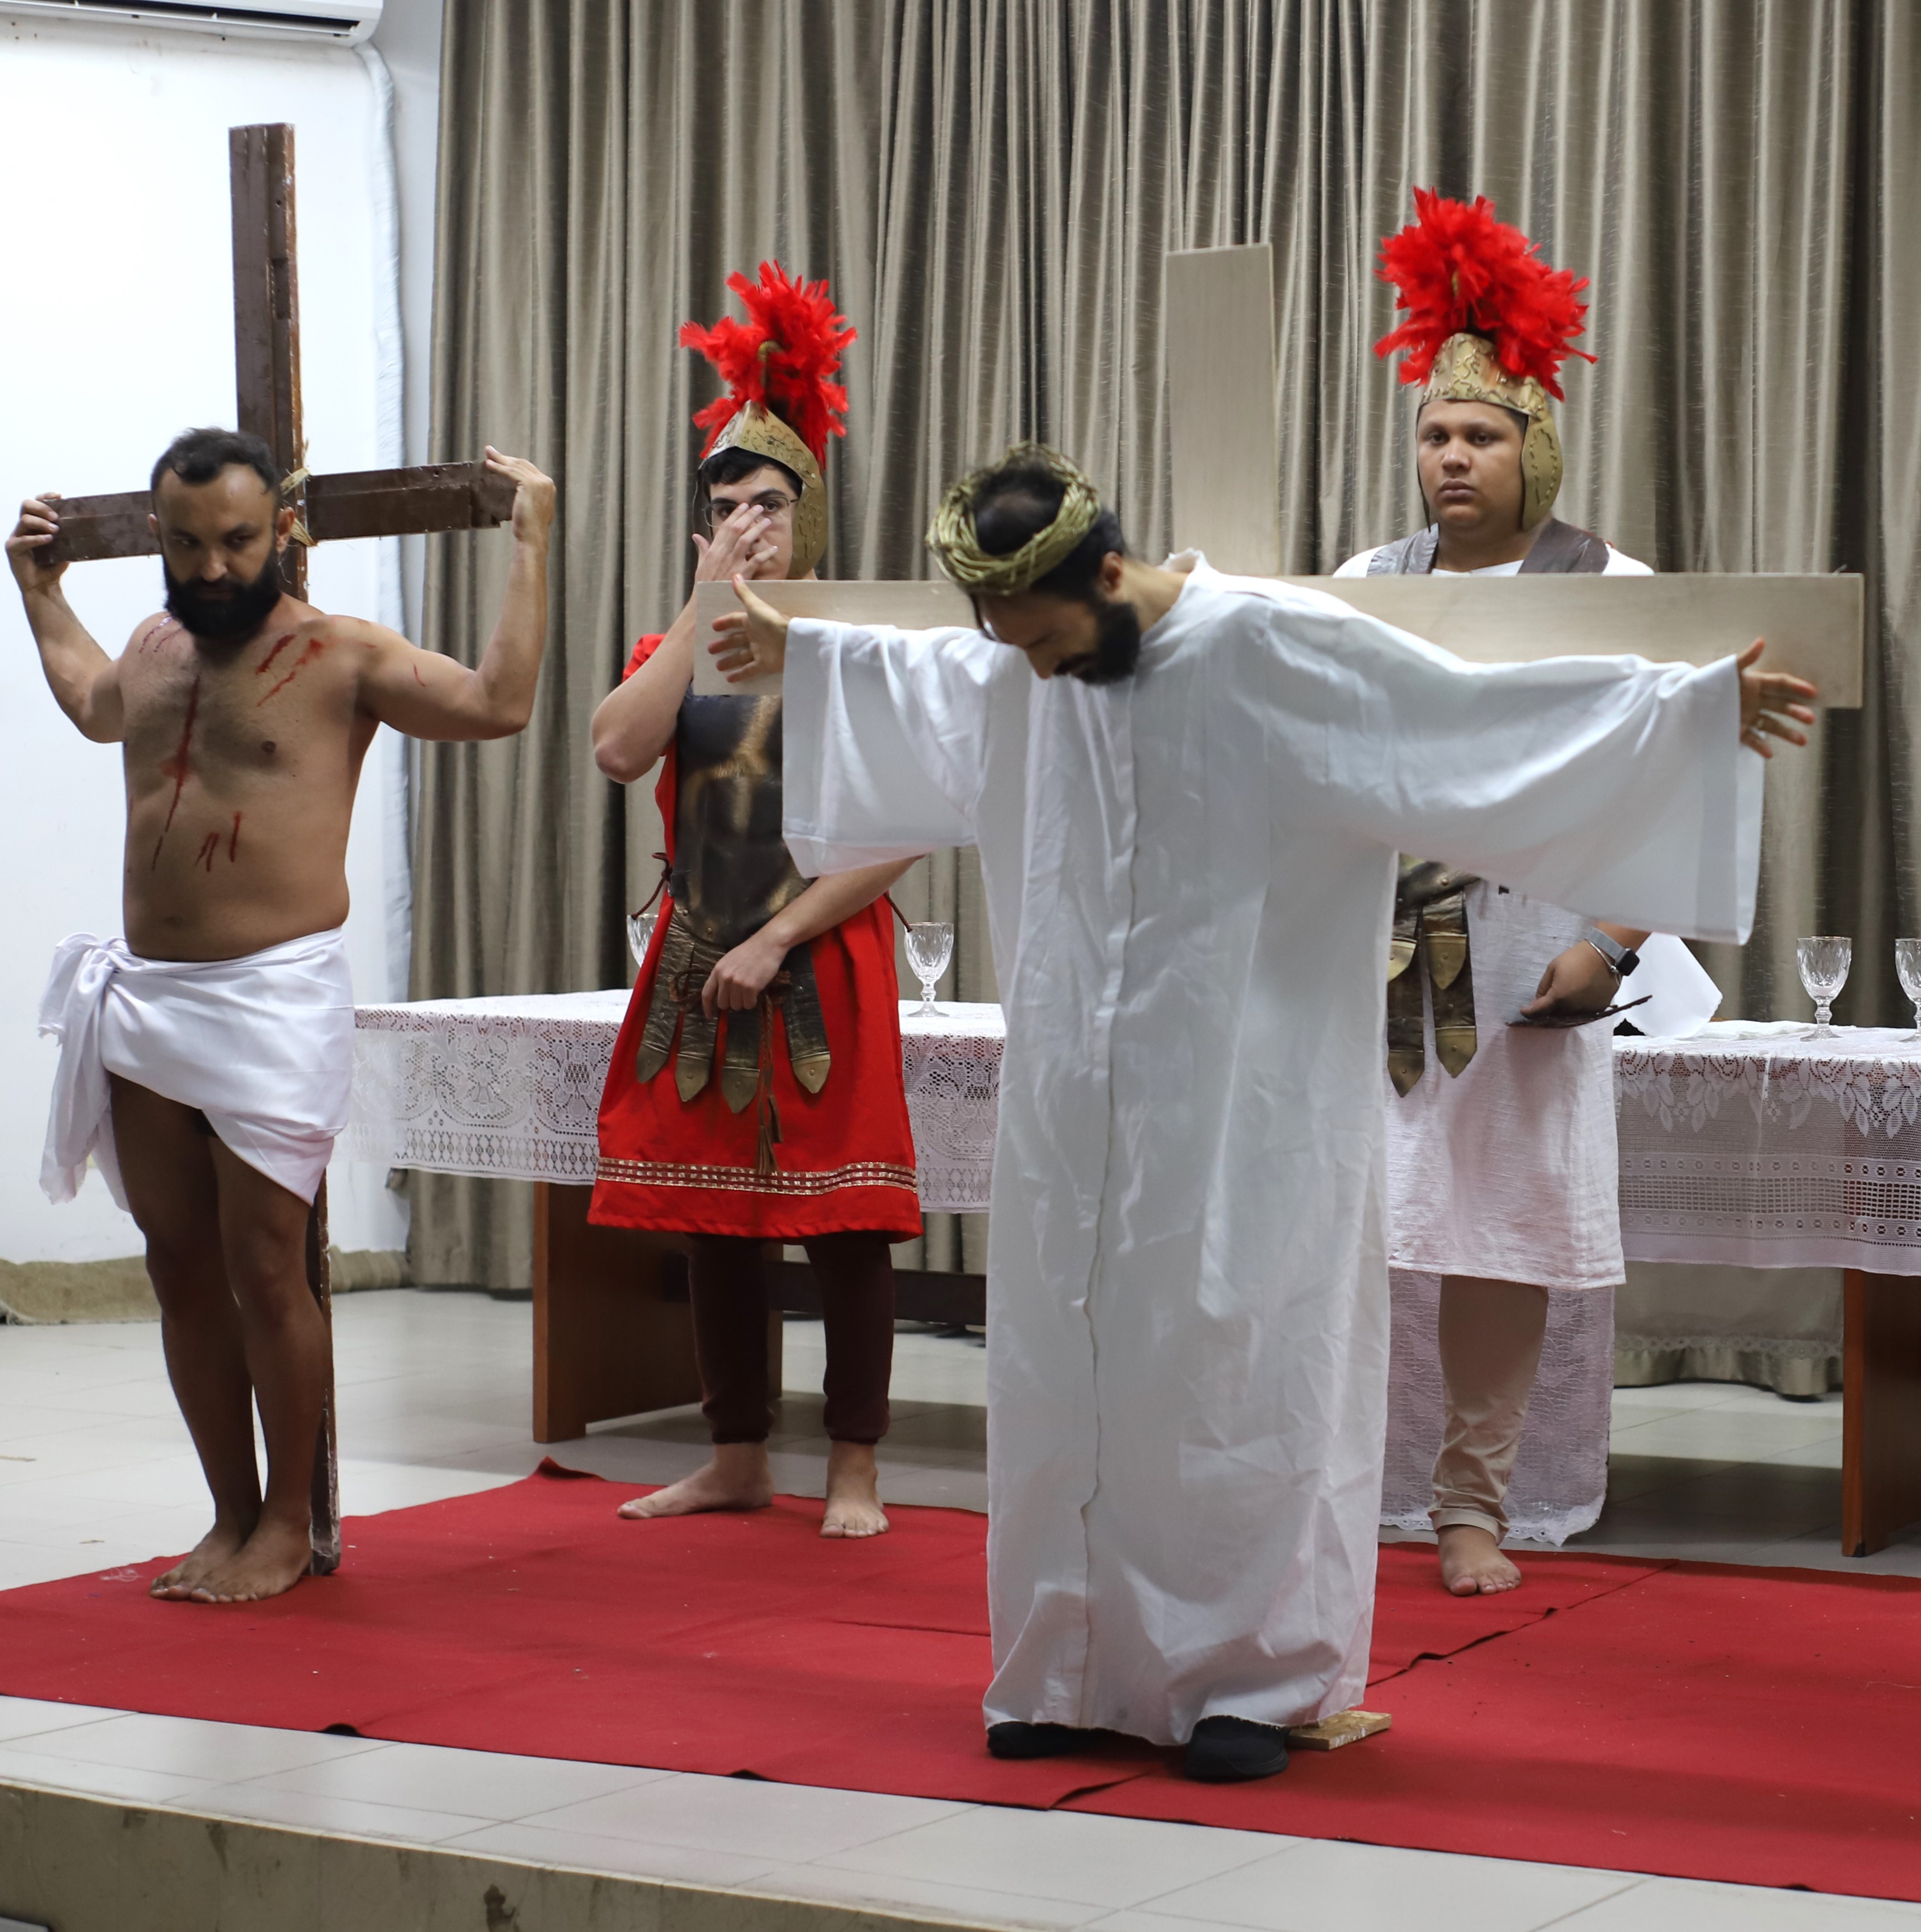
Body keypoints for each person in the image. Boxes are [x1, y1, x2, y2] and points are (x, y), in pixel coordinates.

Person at [708, 444, 1815, 1782]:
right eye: (1015, 647)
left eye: (1053, 640)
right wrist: (804, 650)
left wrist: (1683, 717)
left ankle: (1253, 1677)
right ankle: (1065, 1661)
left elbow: (1472, 727)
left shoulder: (1278, 650)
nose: (1037, 674)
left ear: (1110, 574)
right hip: (1074, 1105)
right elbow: (922, 680)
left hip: (1253, 1099)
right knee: (1067, 1372)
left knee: (1242, 1362)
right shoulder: (1020, 664)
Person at [18, 431, 556, 1605]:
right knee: (177, 1263)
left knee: (268, 1265)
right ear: (159, 534)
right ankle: (222, 1510)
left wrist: (533, 547)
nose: (212, 567)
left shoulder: (338, 656)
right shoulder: (156, 648)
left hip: (270, 999)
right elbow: (94, 706)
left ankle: (286, 1519)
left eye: (238, 541)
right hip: (149, 996)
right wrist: (40, 592)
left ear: (283, 531)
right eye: (187, 542)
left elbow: (499, 703)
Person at [1342, 189, 1722, 1595]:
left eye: (1481, 433)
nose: (1452, 454)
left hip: (1536, 958)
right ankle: (1340, 1481)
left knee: (1494, 1231)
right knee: (1364, 1223)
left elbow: (1674, 786)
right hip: (1383, 959)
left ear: (1534, 448)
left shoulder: (1611, 585)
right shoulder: (1365, 582)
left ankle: (1472, 1506)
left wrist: (1610, 948)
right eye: (1436, 433)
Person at [587, 264, 919, 1539]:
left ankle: (854, 1465)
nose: (747, 523)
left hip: (819, 946)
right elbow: (620, 751)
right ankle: (735, 1453)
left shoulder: (860, 644)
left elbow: (903, 830)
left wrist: (784, 934)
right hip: (696, 944)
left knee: (843, 1223)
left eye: (768, 504)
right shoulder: (682, 636)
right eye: (725, 506)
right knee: (712, 1217)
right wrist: (702, 599)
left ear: (810, 511)